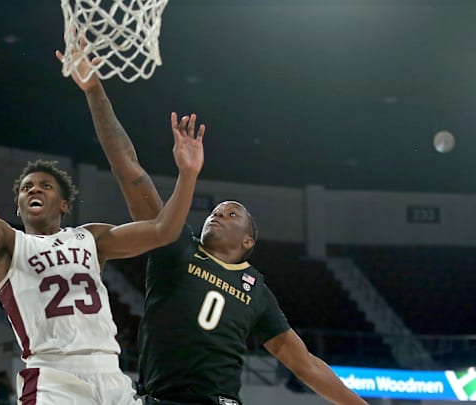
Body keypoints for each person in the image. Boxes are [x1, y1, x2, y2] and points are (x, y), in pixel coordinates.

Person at [62, 53, 367, 405]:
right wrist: (94, 90)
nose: (218, 214)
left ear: (249, 240)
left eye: (232, 214)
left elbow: (307, 365)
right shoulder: (175, 245)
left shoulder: (256, 290)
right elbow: (129, 170)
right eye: (217, 211)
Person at [0, 48, 203, 405]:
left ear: (64, 204)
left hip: (111, 376)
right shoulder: (8, 245)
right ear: (19, 205)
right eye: (26, 188)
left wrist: (187, 175)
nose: (34, 189)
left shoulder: (92, 238)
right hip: (53, 378)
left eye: (45, 186)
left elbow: (163, 230)